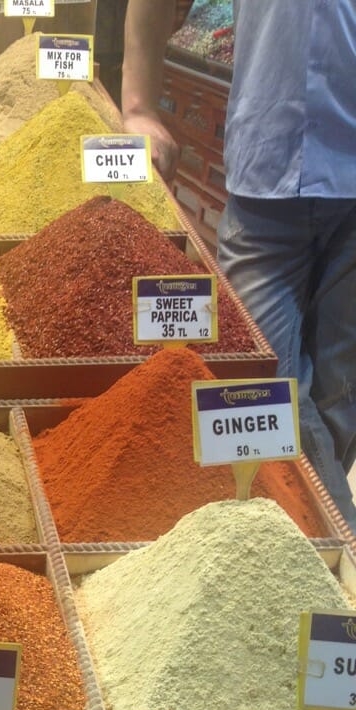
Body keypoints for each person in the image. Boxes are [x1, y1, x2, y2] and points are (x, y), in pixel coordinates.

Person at [121, 0, 356, 530]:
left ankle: (290, 541)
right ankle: (331, 548)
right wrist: (137, 106)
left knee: (341, 394)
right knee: (257, 378)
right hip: (267, 176)